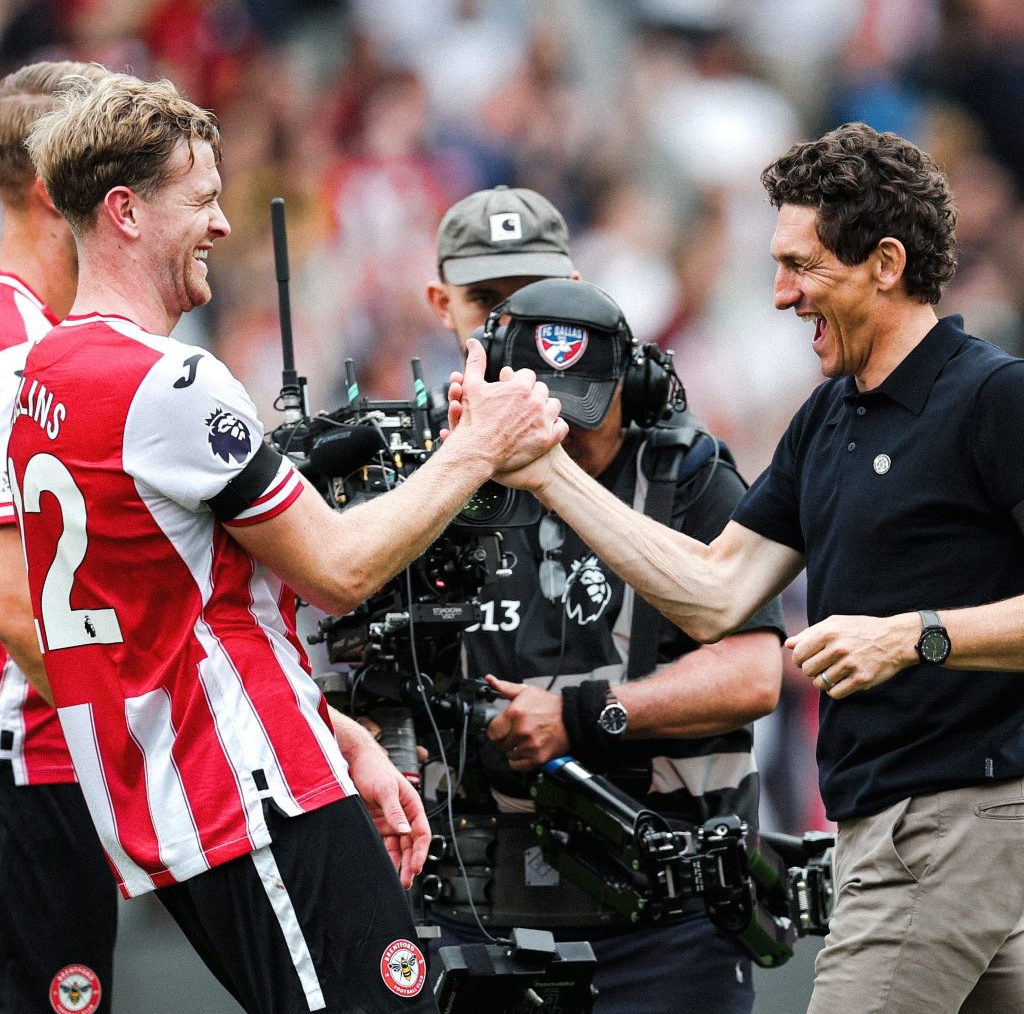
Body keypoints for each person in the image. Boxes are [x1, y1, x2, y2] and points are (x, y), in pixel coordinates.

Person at [7, 72, 566, 1014]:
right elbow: (340, 568)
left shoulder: (35, 377)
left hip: (177, 789)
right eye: (201, 200)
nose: (222, 224)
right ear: (125, 212)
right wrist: (478, 447)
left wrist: (337, 735)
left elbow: (156, 620)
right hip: (247, 787)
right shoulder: (167, 383)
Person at [462, 123, 1024, 1014]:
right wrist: (546, 470)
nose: (780, 294)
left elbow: (864, 635)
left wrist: (914, 637)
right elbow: (714, 592)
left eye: (802, 266)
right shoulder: (828, 417)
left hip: (944, 827)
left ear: (885, 263)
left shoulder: (993, 395)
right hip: (904, 829)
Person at [425, 187, 786, 1014]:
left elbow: (753, 672)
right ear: (447, 309)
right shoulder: (424, 468)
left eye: (534, 295)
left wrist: (581, 717)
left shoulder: (687, 472)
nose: (517, 326)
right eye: (490, 303)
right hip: (476, 905)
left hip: (667, 916)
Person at [0, 60, 119, 1014]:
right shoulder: (15, 346)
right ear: (53, 186)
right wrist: (137, 751)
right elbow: (15, 604)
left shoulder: (34, 329)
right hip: (25, 770)